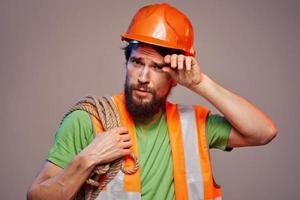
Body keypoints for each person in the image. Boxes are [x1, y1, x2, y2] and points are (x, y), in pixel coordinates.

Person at [27, 3, 277, 200]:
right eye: (137, 62)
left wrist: (200, 83)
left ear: (174, 76)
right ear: (127, 62)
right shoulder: (88, 120)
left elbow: (263, 132)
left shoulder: (194, 125)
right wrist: (89, 157)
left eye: (157, 67)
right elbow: (38, 197)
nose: (143, 77)